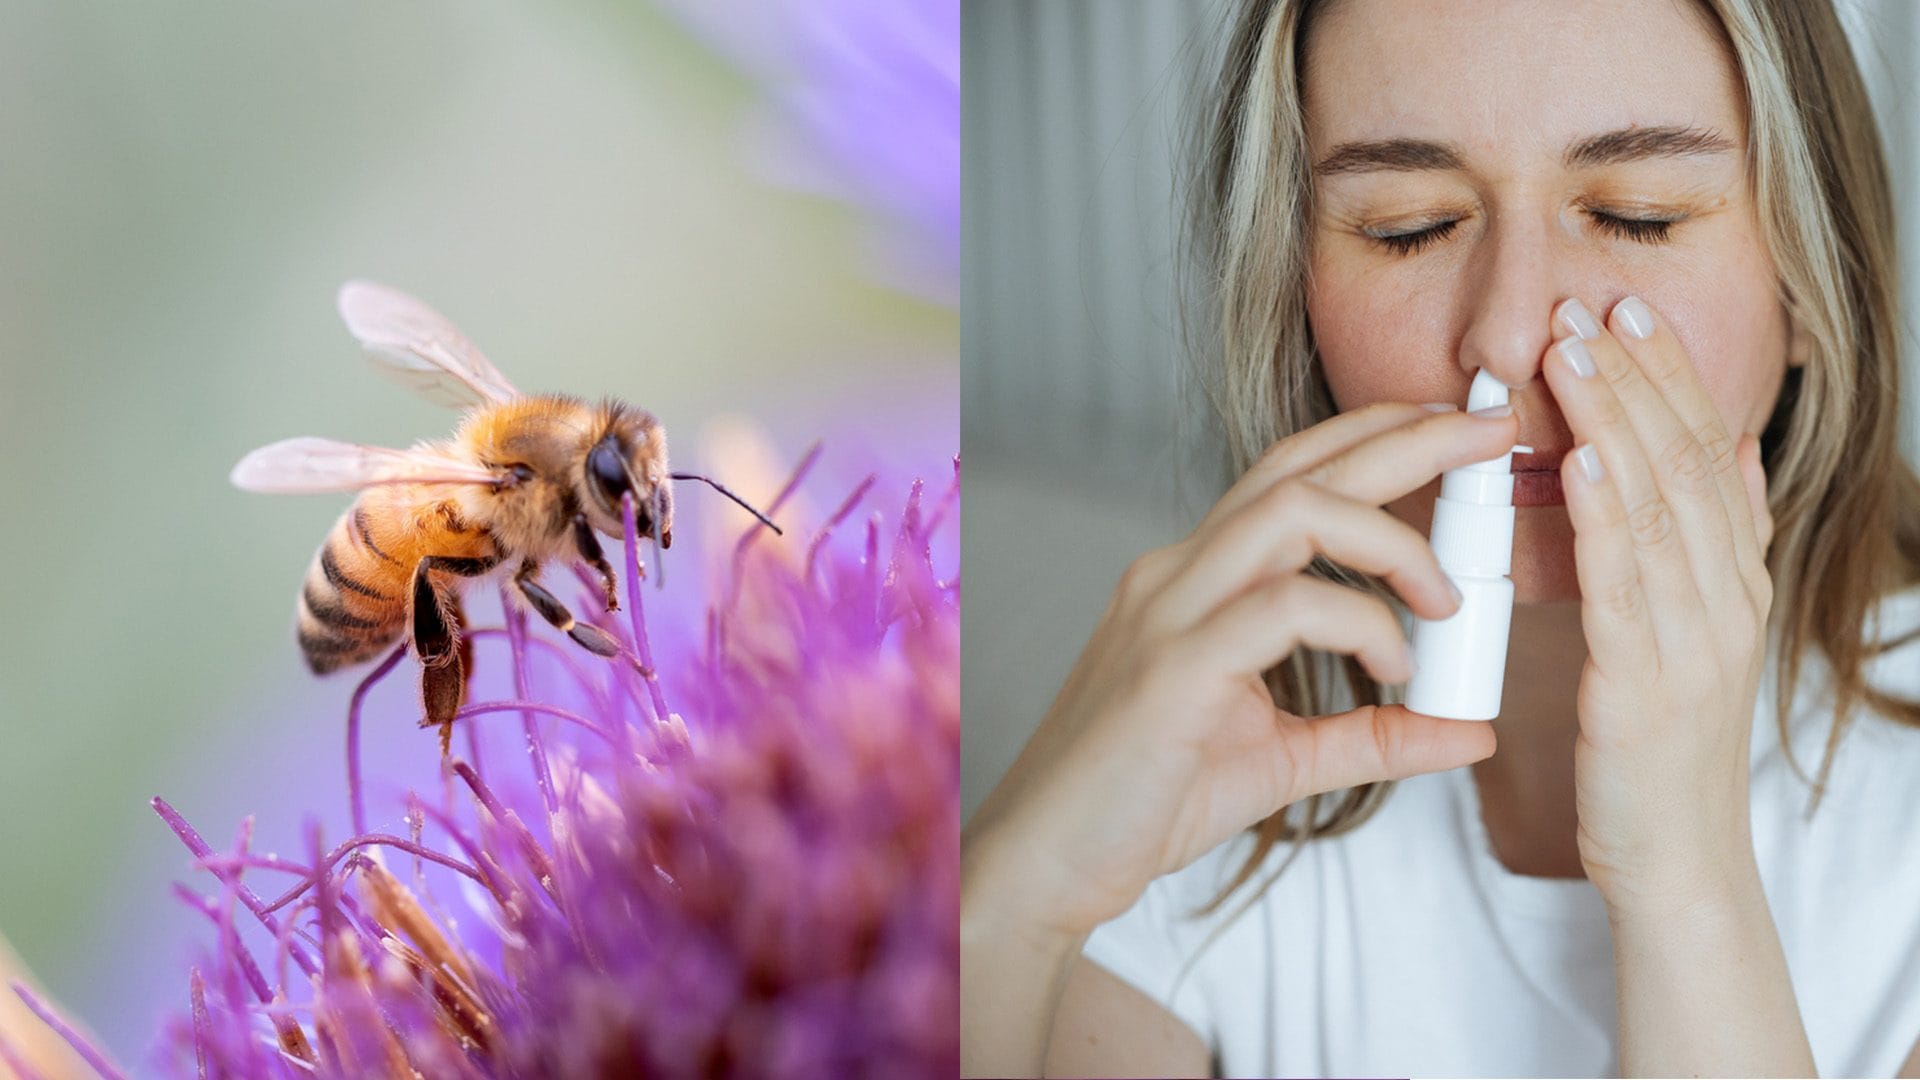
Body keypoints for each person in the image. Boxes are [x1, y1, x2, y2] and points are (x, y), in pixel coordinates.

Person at [960, 0, 1920, 1076]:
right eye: (1409, 226)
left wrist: (1684, 876)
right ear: (1296, 294)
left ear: (1810, 279)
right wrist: (1008, 906)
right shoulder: (1208, 784)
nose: (1509, 336)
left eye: (1636, 216)